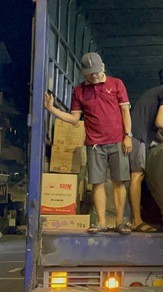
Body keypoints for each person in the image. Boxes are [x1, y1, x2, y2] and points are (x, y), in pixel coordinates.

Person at [44, 52, 132, 234]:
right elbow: (75, 119)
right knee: (97, 182)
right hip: (94, 143)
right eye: (90, 73)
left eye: (97, 71)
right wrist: (51, 109)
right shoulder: (79, 91)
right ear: (84, 72)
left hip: (117, 140)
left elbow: (125, 111)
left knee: (119, 181)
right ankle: (100, 222)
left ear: (103, 67)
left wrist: (128, 135)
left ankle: (119, 222)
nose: (94, 75)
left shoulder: (116, 84)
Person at [128, 66, 163, 232]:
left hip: (137, 135)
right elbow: (160, 122)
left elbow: (154, 128)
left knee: (137, 175)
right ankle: (136, 220)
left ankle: (134, 218)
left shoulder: (153, 92)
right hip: (137, 137)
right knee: (137, 175)